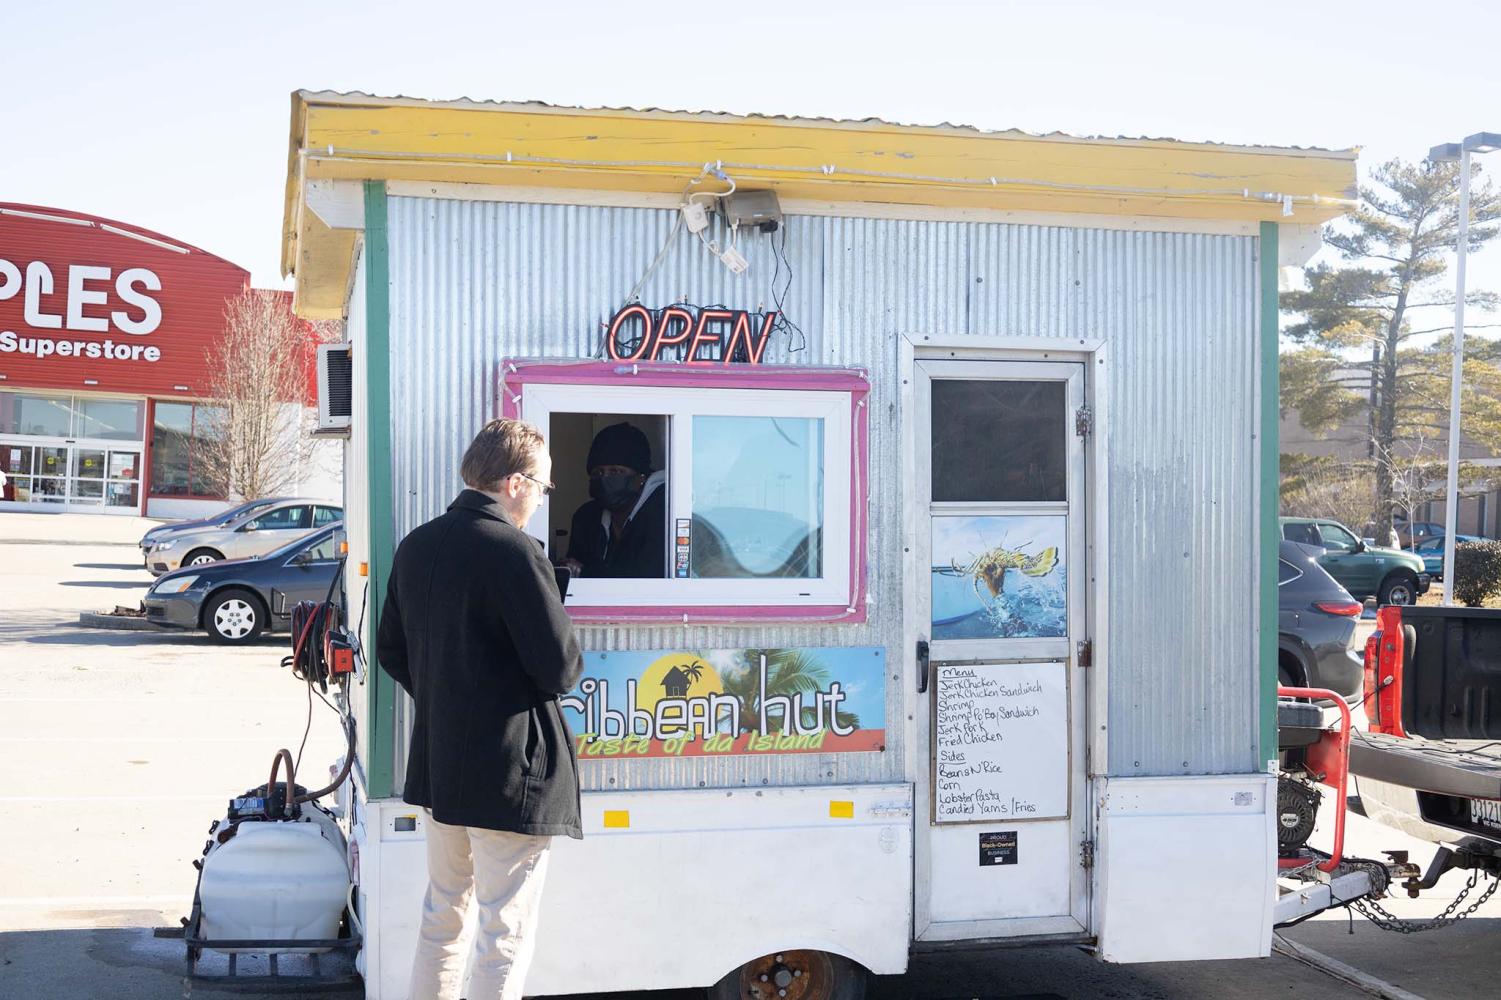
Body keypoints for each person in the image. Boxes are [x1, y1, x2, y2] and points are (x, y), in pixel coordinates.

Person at [377, 418, 583, 1000]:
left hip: (444, 768)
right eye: (543, 488)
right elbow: (561, 668)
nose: (542, 501)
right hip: (510, 774)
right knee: (503, 933)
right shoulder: (516, 553)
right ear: (514, 482)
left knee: (443, 918)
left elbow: (393, 649)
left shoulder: (418, 544)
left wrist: (451, 694)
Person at [564, 421, 666, 578]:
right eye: (598, 472)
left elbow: (648, 576)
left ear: (640, 477)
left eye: (616, 471)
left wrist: (585, 572)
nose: (605, 479)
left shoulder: (665, 512)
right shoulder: (586, 518)